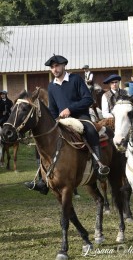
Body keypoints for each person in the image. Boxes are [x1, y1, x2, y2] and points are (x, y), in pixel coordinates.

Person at [25, 55, 109, 194]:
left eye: (57, 66)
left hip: (80, 116)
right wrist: (53, 121)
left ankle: (98, 165)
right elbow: (52, 109)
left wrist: (71, 109)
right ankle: (42, 180)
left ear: (64, 65)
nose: (54, 69)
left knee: (91, 130)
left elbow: (88, 99)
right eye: (52, 67)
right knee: (43, 141)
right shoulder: (51, 86)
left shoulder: (76, 79)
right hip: (61, 120)